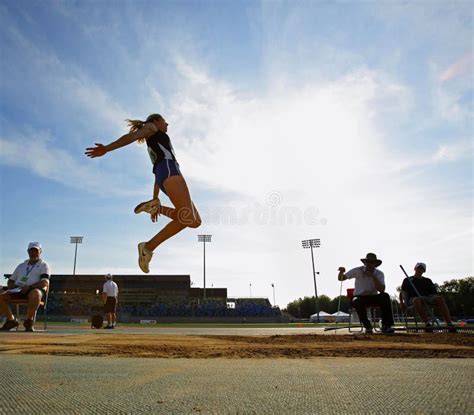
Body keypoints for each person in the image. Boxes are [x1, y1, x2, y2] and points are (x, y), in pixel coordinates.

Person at [85, 113, 202, 273]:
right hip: (170, 171)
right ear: (156, 121)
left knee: (195, 222)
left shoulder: (157, 142)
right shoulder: (151, 128)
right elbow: (131, 137)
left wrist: (156, 199)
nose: (167, 125)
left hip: (165, 175)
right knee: (187, 218)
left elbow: (157, 172)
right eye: (165, 122)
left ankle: (156, 210)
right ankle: (147, 247)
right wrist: (107, 148)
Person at [338, 253, 394, 334]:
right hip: (360, 297)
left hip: (373, 296)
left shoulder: (379, 274)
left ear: (375, 264)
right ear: (365, 262)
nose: (369, 264)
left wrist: (373, 276)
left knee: (385, 296)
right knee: (356, 301)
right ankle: (367, 326)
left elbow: (382, 290)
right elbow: (341, 278)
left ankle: (386, 325)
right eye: (368, 262)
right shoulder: (358, 270)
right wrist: (341, 272)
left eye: (372, 262)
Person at [0, 242, 50, 332]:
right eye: (31, 251)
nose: (33, 253)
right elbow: (10, 280)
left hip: (32, 290)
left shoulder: (44, 265)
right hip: (17, 289)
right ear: (28, 251)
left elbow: (45, 282)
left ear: (40, 251)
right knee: (1, 294)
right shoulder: (21, 266)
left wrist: (29, 287)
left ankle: (29, 320)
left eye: (36, 251)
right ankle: (11, 320)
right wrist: (12, 286)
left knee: (35, 293)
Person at [399, 262, 456, 333]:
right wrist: (401, 302)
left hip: (427, 297)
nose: (420, 270)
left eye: (422, 268)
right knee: (417, 300)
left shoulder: (427, 280)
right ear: (415, 268)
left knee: (440, 299)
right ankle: (427, 324)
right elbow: (402, 292)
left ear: (424, 271)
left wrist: (431, 298)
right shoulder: (407, 280)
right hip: (414, 298)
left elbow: (434, 293)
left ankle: (449, 323)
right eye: (418, 268)